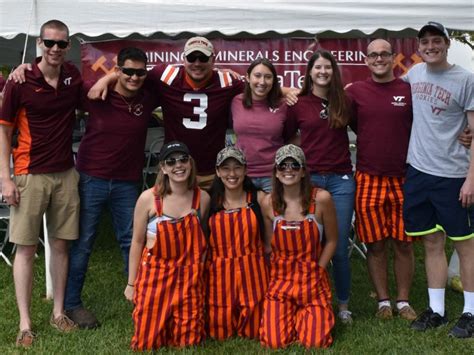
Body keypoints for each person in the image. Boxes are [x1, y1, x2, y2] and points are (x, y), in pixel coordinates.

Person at [89, 37, 297, 190]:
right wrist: (105, 79)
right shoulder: (165, 75)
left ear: (213, 59)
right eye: (192, 57)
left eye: (203, 57)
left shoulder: (227, 82)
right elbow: (132, 76)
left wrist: (290, 92)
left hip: (212, 170)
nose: (197, 62)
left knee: (210, 226)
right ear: (183, 58)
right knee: (170, 222)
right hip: (175, 166)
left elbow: (259, 86)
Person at [63, 47, 161, 329]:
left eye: (139, 72)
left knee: (132, 241)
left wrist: (109, 78)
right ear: (117, 69)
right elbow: (63, 80)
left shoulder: (148, 94)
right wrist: (105, 81)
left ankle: (143, 298)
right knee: (82, 243)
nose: (134, 77)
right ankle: (72, 304)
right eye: (127, 71)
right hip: (91, 178)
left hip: (127, 182)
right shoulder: (96, 95)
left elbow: (169, 78)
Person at [0, 19, 80, 347]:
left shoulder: (73, 76)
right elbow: (4, 131)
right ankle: (25, 323)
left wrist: (115, 76)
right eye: (50, 43)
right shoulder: (20, 81)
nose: (56, 49)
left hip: (65, 173)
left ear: (68, 46)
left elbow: (94, 92)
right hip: (29, 174)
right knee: (26, 247)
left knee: (61, 244)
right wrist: (5, 178)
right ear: (39, 44)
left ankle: (58, 312)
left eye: (62, 44)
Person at [403, 21, 474, 338]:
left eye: (436, 41)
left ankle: (471, 313)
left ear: (447, 43)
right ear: (418, 48)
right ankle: (437, 310)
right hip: (419, 172)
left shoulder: (465, 79)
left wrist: (472, 180)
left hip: (454, 175)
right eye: (425, 42)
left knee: (465, 246)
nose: (430, 46)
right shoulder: (414, 74)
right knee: (432, 242)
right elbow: (382, 89)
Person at [345, 39, 416, 320]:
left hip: (404, 177)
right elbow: (349, 122)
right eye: (373, 55)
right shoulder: (356, 92)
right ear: (366, 60)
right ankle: (383, 303)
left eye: (383, 54)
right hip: (368, 177)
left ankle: (403, 301)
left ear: (392, 57)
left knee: (403, 242)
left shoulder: (408, 90)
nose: (378, 59)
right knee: (375, 244)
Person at [286, 50, 354, 323]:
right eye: (318, 67)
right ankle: (308, 296)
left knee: (338, 246)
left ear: (333, 71)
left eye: (327, 67)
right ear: (310, 72)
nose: (323, 71)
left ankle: (344, 305)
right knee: (307, 243)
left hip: (340, 181)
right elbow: (289, 138)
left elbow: (367, 127)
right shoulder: (298, 103)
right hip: (310, 180)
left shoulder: (346, 101)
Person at [124, 141, 210, 350]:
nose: (178, 165)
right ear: (162, 168)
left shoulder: (203, 198)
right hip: (155, 276)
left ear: (190, 163)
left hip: (189, 278)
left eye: (183, 160)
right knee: (147, 342)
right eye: (171, 161)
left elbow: (204, 241)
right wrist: (131, 284)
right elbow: (136, 242)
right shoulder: (148, 199)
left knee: (189, 342)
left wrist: (200, 274)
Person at [259, 144, 338, 348]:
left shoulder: (321, 199)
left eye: (294, 165)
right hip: (281, 281)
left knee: (315, 342)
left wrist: (319, 269)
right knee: (274, 342)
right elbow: (269, 246)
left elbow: (332, 241)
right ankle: (290, 313)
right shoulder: (268, 203)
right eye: (282, 165)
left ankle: (309, 314)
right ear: (276, 172)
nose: (288, 169)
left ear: (303, 171)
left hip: (312, 278)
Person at [206, 146, 269, 339]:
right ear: (217, 172)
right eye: (225, 168)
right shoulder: (209, 202)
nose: (231, 174)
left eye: (237, 167)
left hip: (253, 272)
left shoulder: (259, 199)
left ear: (246, 170)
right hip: (220, 273)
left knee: (254, 329)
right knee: (219, 331)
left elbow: (269, 243)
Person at [232, 58, 291, 192]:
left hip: (274, 176)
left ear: (274, 81)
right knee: (245, 214)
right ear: (247, 77)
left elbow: (292, 135)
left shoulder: (283, 105)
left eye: (268, 77)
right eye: (257, 76)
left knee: (274, 213)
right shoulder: (236, 101)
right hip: (242, 175)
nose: (262, 82)